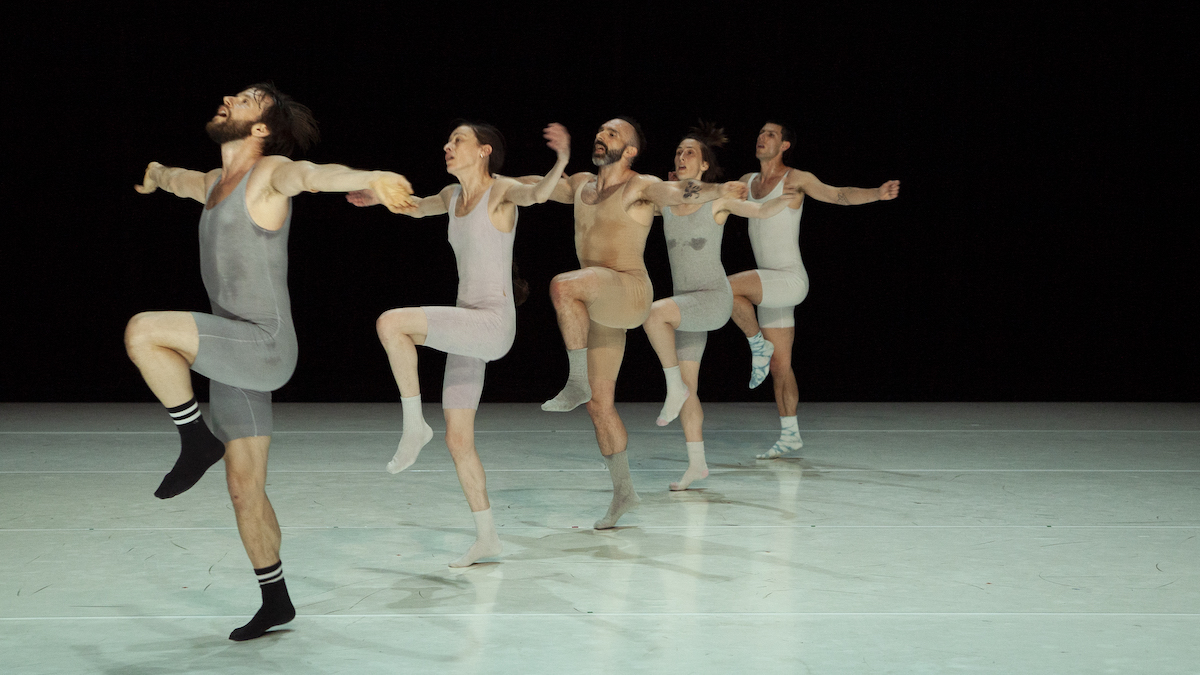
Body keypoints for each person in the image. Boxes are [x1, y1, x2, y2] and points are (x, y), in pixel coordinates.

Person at [126, 83, 413, 640]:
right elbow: (173, 177)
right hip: (232, 355)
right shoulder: (213, 184)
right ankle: (276, 601)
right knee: (244, 489)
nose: (230, 98)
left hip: (262, 345)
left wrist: (369, 177)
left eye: (248, 99)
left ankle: (195, 439)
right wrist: (155, 172)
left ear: (261, 129)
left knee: (144, 331)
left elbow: (314, 175)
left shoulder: (271, 171)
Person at [348, 121, 570, 566]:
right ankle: (487, 538)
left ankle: (414, 425)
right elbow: (414, 208)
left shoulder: (502, 191)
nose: (448, 146)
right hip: (466, 328)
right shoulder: (451, 198)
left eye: (458, 141)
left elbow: (538, 194)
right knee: (458, 440)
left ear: (484, 150)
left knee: (392, 324)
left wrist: (561, 159)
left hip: (490, 324)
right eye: (447, 141)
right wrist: (379, 197)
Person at [539, 117, 746, 528]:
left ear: (630, 150)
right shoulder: (580, 185)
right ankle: (624, 493)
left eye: (613, 133)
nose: (601, 135)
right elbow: (533, 190)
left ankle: (575, 379)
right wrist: (559, 158)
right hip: (596, 303)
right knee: (600, 408)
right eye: (599, 130)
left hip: (629, 292)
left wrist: (718, 189)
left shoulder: (640, 186)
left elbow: (676, 190)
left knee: (562, 286)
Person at [728, 121, 899, 459]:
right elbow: (713, 194)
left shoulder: (797, 179)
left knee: (726, 288)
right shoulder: (748, 182)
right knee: (780, 366)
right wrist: (684, 185)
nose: (762, 138)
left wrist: (877, 194)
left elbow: (839, 195)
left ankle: (755, 345)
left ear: (785, 145)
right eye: (760, 133)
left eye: (771, 135)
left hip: (789, 280)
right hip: (769, 287)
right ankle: (790, 435)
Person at [642, 123, 793, 490]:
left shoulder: (717, 200)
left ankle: (671, 385)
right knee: (690, 389)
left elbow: (756, 212)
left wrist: (785, 199)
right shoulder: (666, 200)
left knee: (654, 313)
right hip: (687, 305)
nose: (681, 157)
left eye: (690, 152)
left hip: (711, 299)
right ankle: (697, 464)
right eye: (678, 152)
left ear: (705, 165)